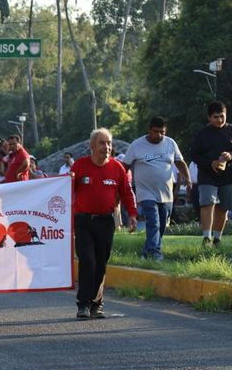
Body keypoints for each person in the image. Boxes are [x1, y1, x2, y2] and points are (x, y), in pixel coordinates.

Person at [71, 128, 137, 320]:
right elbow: (65, 189)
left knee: (101, 263)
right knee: (88, 261)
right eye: (102, 143)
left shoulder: (117, 168)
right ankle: (83, 304)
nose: (107, 147)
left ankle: (96, 304)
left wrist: (132, 214)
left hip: (106, 222)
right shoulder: (79, 166)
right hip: (83, 221)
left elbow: (126, 192)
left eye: (109, 143)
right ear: (92, 146)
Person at [122, 116, 191, 260]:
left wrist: (188, 179)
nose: (159, 135)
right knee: (153, 221)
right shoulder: (137, 145)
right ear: (149, 130)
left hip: (166, 193)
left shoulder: (170, 143)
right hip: (145, 192)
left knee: (162, 225)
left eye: (162, 132)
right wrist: (120, 184)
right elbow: (125, 166)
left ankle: (146, 251)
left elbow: (180, 162)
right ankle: (155, 254)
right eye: (155, 131)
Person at [189, 101, 232, 247]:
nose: (220, 120)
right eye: (216, 117)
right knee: (207, 203)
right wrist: (210, 163)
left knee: (224, 207)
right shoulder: (202, 134)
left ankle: (217, 239)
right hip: (207, 175)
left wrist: (231, 155)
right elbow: (194, 155)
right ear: (209, 118)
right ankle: (206, 238)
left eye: (222, 116)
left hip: (228, 176)